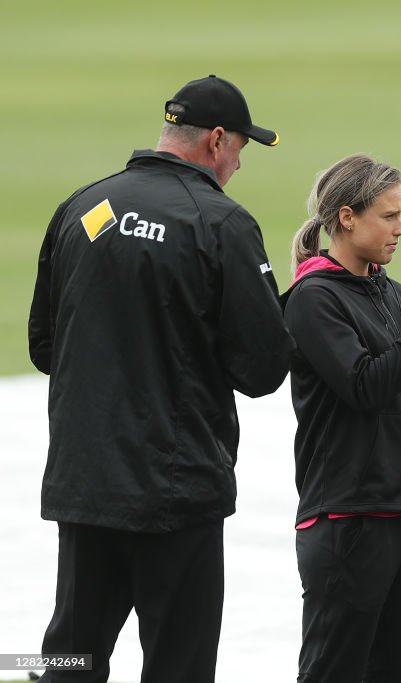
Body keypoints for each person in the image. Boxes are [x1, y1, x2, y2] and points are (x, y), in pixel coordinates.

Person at [26, 74, 292, 682]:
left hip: (85, 485)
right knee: (179, 666)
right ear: (217, 140)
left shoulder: (83, 206)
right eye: (241, 152)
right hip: (178, 492)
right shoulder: (222, 223)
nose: (238, 167)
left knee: (69, 657)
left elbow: (45, 347)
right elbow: (264, 369)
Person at [281, 154, 401, 683]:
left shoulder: (393, 293)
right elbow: (365, 386)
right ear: (347, 217)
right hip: (350, 522)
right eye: (389, 215)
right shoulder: (312, 299)